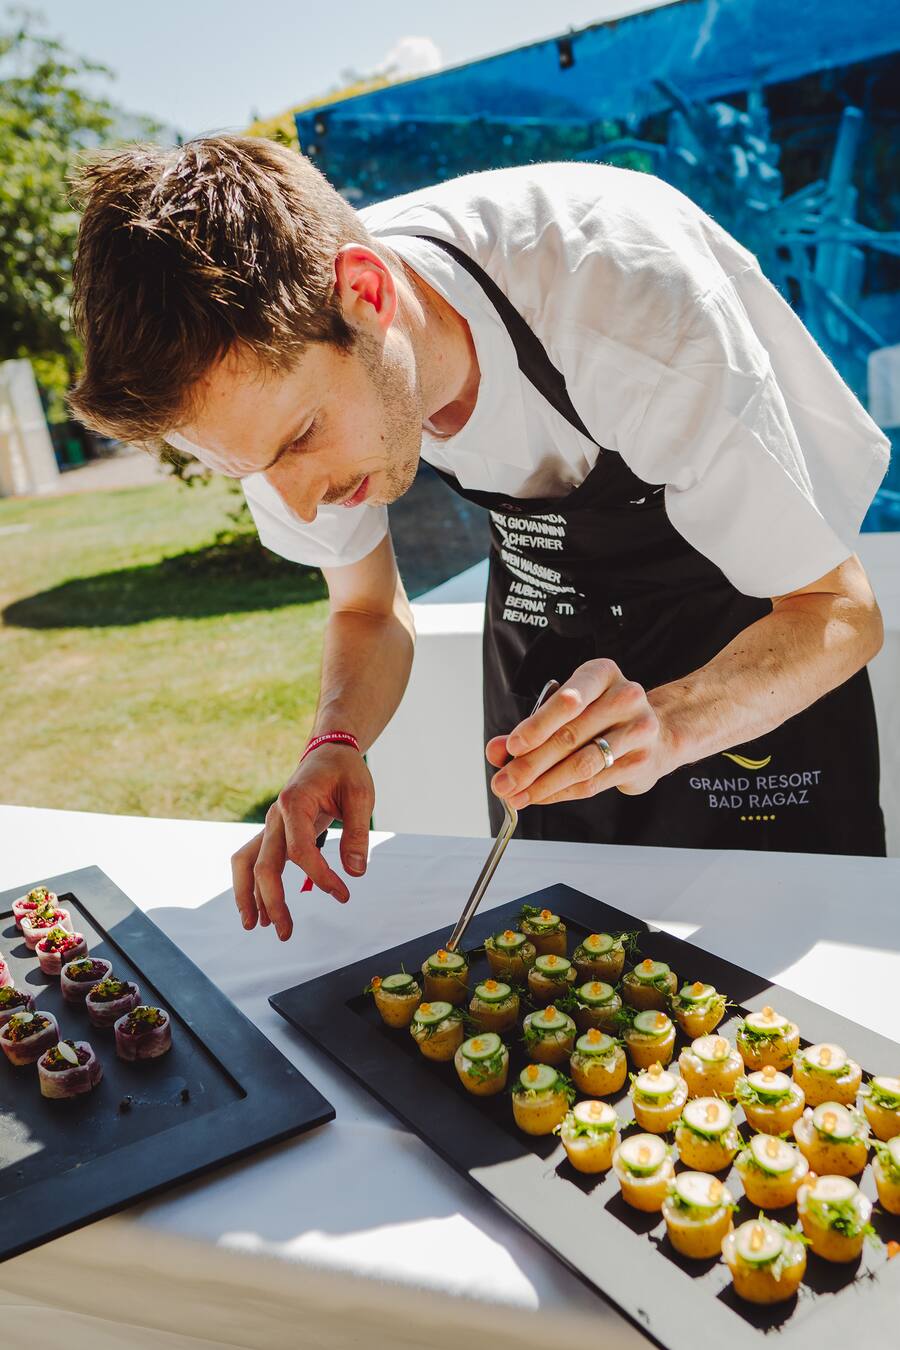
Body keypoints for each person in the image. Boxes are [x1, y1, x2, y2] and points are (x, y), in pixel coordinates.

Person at [68, 136, 890, 940]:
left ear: (367, 293)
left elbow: (839, 614)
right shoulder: (265, 366)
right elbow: (366, 610)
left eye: (300, 438)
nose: (300, 502)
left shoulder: (626, 299)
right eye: (250, 469)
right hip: (552, 655)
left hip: (746, 648)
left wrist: (671, 724)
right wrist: (335, 742)